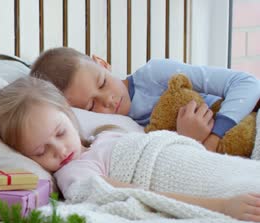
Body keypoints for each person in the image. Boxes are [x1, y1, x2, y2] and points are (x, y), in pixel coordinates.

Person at [0, 76, 260, 222]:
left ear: (69, 114)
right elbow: (139, 194)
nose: (59, 150)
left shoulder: (104, 136)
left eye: (60, 132)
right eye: (40, 152)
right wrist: (222, 207)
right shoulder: (74, 173)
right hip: (205, 188)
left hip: (204, 162)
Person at [29, 47, 260, 152]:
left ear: (102, 63)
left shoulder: (154, 74)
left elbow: (248, 83)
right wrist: (187, 139)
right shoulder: (119, 132)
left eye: (102, 83)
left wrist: (211, 139)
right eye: (91, 105)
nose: (108, 101)